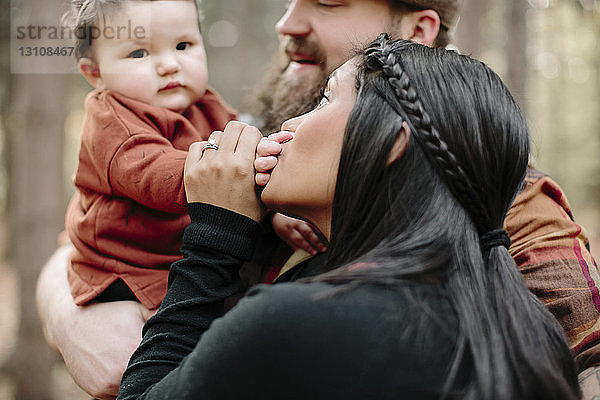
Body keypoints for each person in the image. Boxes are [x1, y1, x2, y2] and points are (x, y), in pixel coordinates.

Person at [36, 0, 600, 398]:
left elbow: (585, 353)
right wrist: (72, 314)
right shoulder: (264, 143)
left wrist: (215, 238)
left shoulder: (503, 199)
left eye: (327, 2)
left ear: (416, 31)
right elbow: (94, 227)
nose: (286, 22)